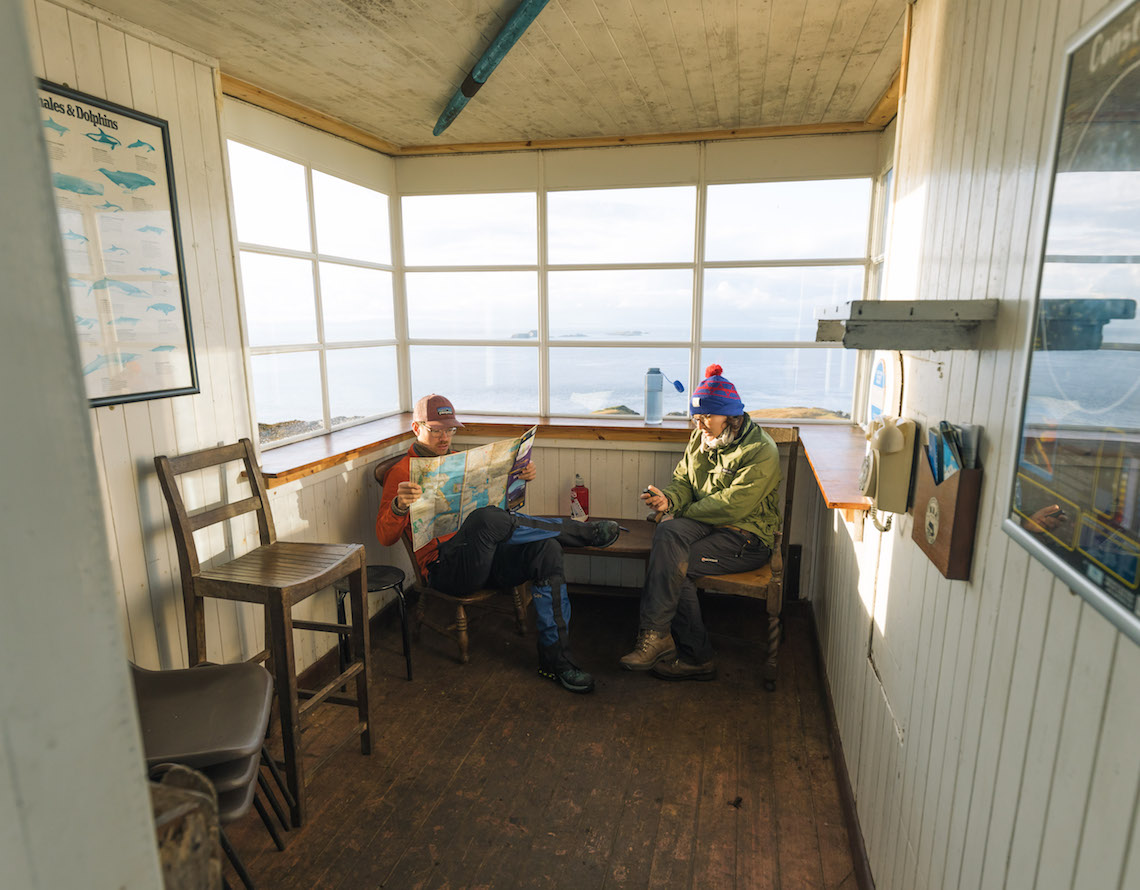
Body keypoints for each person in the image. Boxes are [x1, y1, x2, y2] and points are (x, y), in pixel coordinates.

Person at [377, 394, 619, 694]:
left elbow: (505, 510)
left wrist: (519, 478)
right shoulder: (401, 472)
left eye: (450, 429)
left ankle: (556, 662)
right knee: (486, 520)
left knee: (547, 549)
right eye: (436, 429)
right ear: (416, 427)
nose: (444, 437)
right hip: (446, 569)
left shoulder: (461, 462)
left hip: (485, 557)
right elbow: (384, 538)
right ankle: (580, 533)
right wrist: (400, 505)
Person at [620, 365, 782, 681]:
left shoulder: (762, 450)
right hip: (706, 523)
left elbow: (733, 506)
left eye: (707, 416)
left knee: (674, 564)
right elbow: (683, 480)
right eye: (696, 417)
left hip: (745, 536)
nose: (700, 423)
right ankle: (656, 637)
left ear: (730, 416)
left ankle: (695, 656)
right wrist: (669, 500)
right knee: (667, 531)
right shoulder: (700, 438)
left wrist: (682, 510)